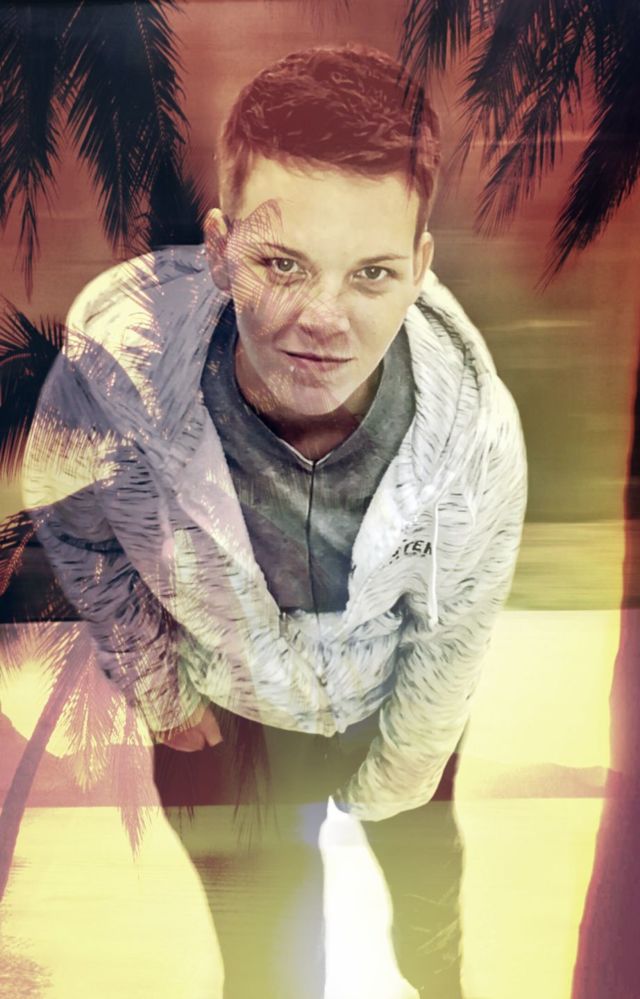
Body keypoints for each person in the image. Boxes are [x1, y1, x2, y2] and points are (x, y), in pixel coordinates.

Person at [22, 44, 527, 999]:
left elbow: (456, 621)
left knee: (432, 938)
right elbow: (81, 525)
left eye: (371, 272)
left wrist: (402, 770)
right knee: (264, 971)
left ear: (420, 267)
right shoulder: (117, 378)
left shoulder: (474, 432)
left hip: (393, 706)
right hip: (224, 720)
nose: (323, 319)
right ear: (220, 249)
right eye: (282, 263)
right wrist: (162, 692)